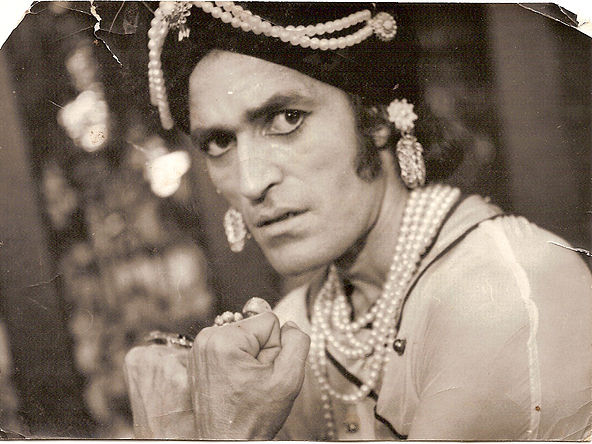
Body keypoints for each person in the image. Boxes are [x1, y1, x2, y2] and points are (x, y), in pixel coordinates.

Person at [124, 2, 592, 440]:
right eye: (220, 143)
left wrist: (225, 430)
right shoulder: (297, 326)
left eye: (287, 118)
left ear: (377, 115)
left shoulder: (502, 291)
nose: (250, 182)